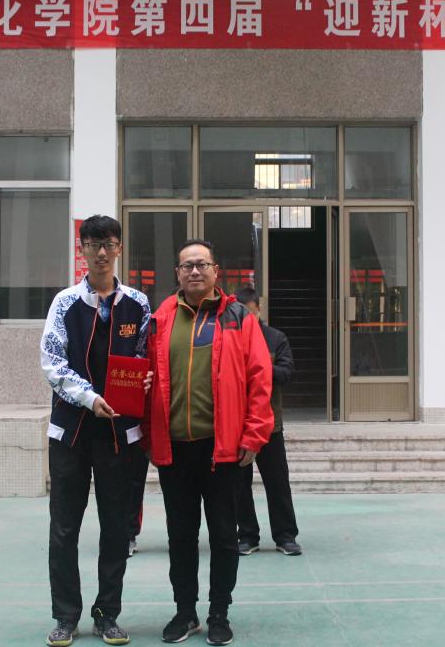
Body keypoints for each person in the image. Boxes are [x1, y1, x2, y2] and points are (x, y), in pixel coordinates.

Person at [141, 239, 273, 646]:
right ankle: (185, 612)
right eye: (187, 266)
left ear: (216, 270)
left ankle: (219, 612)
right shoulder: (161, 318)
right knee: (180, 537)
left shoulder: (238, 317)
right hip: (174, 450)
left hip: (223, 450)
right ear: (177, 274)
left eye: (202, 264)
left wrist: (254, 434)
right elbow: (145, 374)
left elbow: (260, 378)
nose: (195, 271)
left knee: (223, 536)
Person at [40, 215, 151, 647]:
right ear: (82, 249)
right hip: (71, 433)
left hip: (120, 435)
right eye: (93, 244)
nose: (101, 252)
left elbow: (144, 358)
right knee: (64, 528)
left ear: (119, 248)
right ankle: (65, 616)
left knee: (116, 528)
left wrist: (145, 379)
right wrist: (89, 398)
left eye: (109, 244)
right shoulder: (64, 303)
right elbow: (52, 363)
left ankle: (108, 615)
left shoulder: (138, 304)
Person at [232, 287, 303, 557]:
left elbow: (287, 373)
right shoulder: (229, 337)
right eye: (241, 315)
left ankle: (286, 536)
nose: (246, 320)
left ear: (258, 309)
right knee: (239, 484)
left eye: (250, 314)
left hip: (269, 424)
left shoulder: (275, 338)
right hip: (237, 424)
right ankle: (247, 536)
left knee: (277, 482)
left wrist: (259, 368)